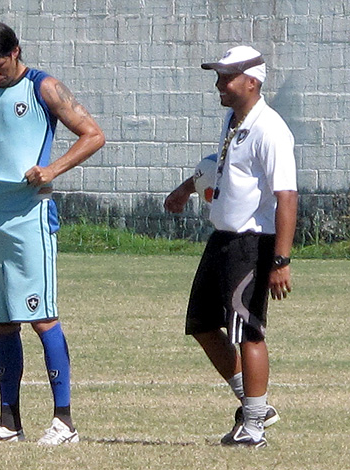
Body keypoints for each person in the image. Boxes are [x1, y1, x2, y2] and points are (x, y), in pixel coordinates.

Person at [0, 22, 105, 445]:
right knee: (1, 321)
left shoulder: (45, 88)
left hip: (31, 216)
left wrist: (51, 170)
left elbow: (94, 135)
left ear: (17, 51)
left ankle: (64, 423)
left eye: (1, 67)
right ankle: (8, 423)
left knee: (41, 316)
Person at [164, 46, 298, 448]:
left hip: (252, 243)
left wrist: (281, 260)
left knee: (248, 332)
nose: (219, 84)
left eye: (227, 77)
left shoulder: (270, 129)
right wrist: (186, 189)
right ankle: (255, 405)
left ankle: (254, 427)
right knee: (202, 324)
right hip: (222, 239)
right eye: (219, 76)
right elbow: (217, 167)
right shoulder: (233, 119)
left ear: (252, 82)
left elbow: (287, 197)